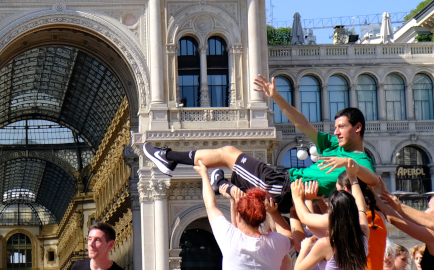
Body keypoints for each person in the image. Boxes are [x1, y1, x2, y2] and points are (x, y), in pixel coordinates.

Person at [142, 82, 379, 213]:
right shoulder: (330, 145)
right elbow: (302, 123)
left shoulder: (361, 161)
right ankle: (220, 184)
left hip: (284, 186)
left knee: (228, 154)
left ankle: (169, 157)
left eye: (341, 127)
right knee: (238, 184)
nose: (336, 132)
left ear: (357, 127)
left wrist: (349, 165)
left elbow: (373, 180)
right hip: (283, 181)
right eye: (335, 127)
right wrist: (276, 97)